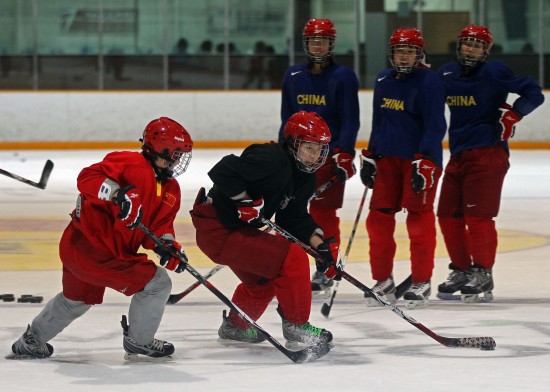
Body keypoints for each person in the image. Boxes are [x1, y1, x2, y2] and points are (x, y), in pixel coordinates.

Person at [6, 117, 194, 360]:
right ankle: (140, 340)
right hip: (98, 253)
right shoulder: (130, 162)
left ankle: (30, 342)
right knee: (158, 284)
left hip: (79, 250)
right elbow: (87, 178)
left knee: (74, 301)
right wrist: (118, 193)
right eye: (177, 153)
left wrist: (167, 248)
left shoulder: (171, 190)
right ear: (161, 149)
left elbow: (160, 228)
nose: (179, 159)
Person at [191, 111, 338, 349]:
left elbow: (294, 218)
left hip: (234, 231)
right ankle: (297, 326)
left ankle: (236, 326)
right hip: (218, 228)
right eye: (308, 147)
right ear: (292, 142)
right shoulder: (271, 159)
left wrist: (320, 244)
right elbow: (223, 170)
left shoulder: (303, 177)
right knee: (292, 258)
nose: (314, 155)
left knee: (265, 279)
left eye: (319, 149)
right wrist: (244, 200)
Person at [435, 25, 544, 303]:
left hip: (488, 153)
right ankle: (461, 269)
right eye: (466, 44)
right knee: (447, 215)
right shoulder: (447, 74)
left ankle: (483, 271)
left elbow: (534, 92)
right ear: (458, 46)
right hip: (459, 154)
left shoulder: (494, 72)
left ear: (486, 51)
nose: (470, 49)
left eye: (477, 45)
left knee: (478, 218)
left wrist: (513, 115)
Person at [359, 28, 447, 309]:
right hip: (387, 162)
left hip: (419, 162)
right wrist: (371, 155)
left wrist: (425, 160)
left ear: (419, 54)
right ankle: (383, 280)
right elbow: (379, 121)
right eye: (399, 50)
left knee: (419, 223)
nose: (404, 55)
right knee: (378, 221)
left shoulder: (430, 82)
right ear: (392, 53)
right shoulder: (383, 79)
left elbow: (435, 125)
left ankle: (422, 281)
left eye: (410, 50)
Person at [278, 18, 360, 296]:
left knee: (324, 213)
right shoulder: (292, 75)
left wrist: (345, 151)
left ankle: (324, 264)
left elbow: (350, 120)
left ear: (331, 44)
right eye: (313, 40)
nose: (318, 45)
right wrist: (281, 153)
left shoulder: (344, 77)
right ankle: (287, 264)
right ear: (306, 43)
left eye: (323, 40)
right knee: (288, 211)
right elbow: (286, 118)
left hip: (326, 157)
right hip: (295, 156)